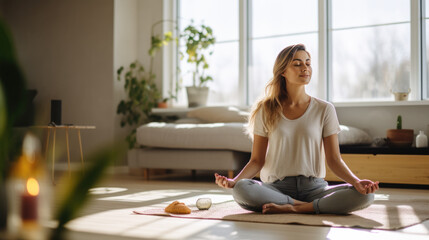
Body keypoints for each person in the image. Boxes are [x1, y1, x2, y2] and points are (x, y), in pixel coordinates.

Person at [214, 44, 379, 214]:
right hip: (275, 189)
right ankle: (305, 206)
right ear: (283, 71)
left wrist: (356, 182)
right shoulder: (266, 109)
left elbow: (334, 160)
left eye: (308, 63)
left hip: (315, 189)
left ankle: (294, 207)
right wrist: (234, 181)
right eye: (297, 64)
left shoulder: (324, 109)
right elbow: (257, 160)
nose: (305, 68)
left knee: (366, 196)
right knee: (242, 189)